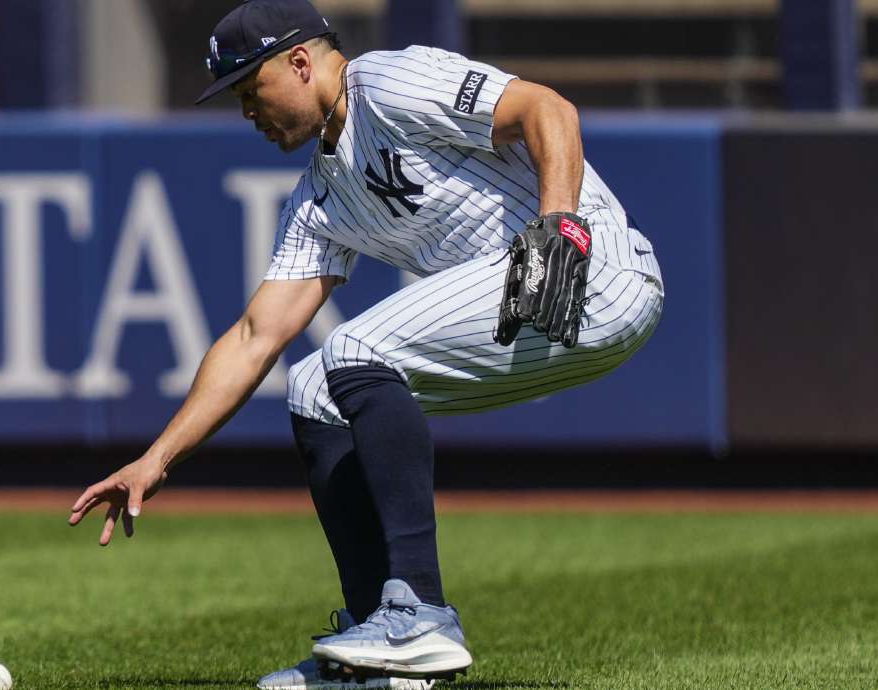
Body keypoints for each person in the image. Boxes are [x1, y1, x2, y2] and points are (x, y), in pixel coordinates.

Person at [69, 1, 664, 688]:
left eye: (247, 89)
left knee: (355, 350)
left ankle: (420, 615)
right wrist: (157, 457)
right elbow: (255, 336)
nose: (246, 112)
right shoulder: (321, 195)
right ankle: (376, 653)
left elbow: (547, 109)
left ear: (297, 62)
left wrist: (560, 225)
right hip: (525, 307)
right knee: (313, 388)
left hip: (595, 272)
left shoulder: (386, 83)